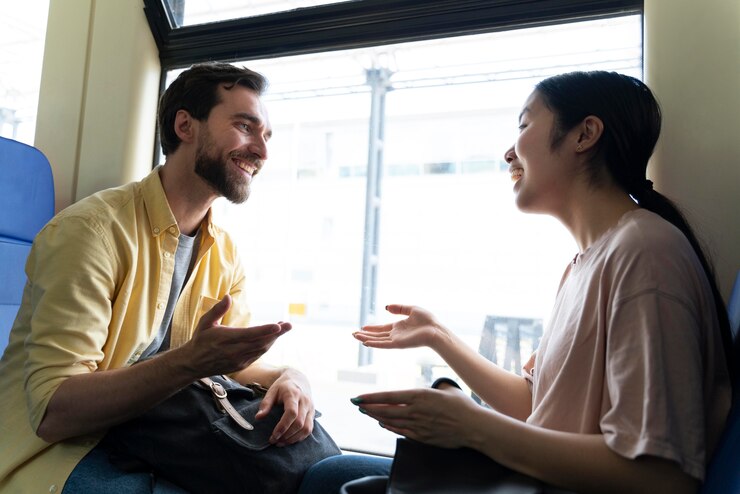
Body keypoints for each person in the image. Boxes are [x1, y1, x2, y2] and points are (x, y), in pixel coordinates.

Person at [349, 71, 733, 494]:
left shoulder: (645, 254)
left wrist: (471, 426)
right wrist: (438, 337)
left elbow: (661, 478)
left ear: (584, 135)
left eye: (524, 125)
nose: (508, 153)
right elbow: (538, 405)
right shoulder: (586, 264)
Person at [0, 62, 369, 493]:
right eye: (245, 127)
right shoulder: (91, 233)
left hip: (154, 438)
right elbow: (53, 413)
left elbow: (234, 361)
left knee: (326, 479)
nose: (262, 152)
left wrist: (290, 376)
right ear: (184, 125)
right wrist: (192, 360)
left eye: (266, 136)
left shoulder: (224, 251)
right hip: (64, 449)